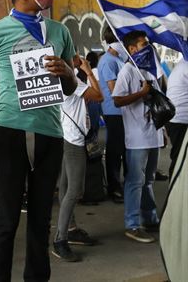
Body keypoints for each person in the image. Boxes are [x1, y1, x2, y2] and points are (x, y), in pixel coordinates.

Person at [0, 0, 77, 282]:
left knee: (40, 218)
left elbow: (72, 87)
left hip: (50, 134)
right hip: (10, 134)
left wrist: (68, 72)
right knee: (7, 218)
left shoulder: (60, 32)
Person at [112, 30, 163, 243]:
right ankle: (132, 224)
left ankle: (150, 218)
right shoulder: (128, 71)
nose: (148, 46)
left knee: (149, 179)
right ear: (132, 49)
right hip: (137, 137)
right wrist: (141, 94)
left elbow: (159, 102)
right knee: (135, 180)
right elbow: (117, 100)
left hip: (154, 135)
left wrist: (163, 131)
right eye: (144, 43)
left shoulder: (149, 70)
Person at [53, 54, 102, 262]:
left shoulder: (62, 77)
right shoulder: (71, 80)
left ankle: (70, 229)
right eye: (75, 56)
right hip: (73, 141)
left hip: (65, 135)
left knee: (64, 187)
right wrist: (89, 70)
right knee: (74, 190)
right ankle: (60, 239)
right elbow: (99, 95)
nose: (79, 58)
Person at [98, 28, 128, 203]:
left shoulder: (119, 59)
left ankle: (121, 184)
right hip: (114, 111)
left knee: (123, 148)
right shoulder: (108, 61)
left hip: (123, 111)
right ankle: (114, 187)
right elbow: (114, 89)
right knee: (115, 149)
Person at [165, 58, 188, 176]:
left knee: (180, 157)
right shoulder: (186, 65)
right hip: (181, 120)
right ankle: (175, 192)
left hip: (177, 118)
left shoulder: (182, 64)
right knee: (180, 158)